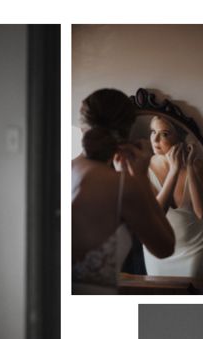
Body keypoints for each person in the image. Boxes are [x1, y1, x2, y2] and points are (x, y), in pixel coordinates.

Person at [72, 89, 175, 293]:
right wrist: (141, 177)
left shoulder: (61, 171)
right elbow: (165, 247)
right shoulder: (123, 187)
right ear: (126, 132)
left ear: (83, 126)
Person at [143, 116, 203, 281]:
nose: (156, 139)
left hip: (193, 247)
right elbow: (156, 216)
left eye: (164, 134)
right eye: (153, 132)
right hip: (157, 249)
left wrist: (188, 166)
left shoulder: (196, 166)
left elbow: (202, 213)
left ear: (179, 139)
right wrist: (173, 170)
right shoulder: (145, 167)